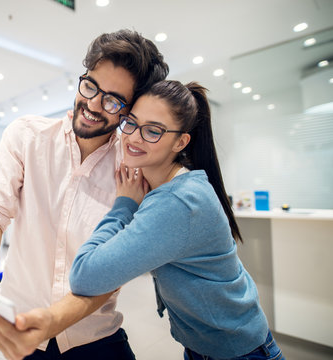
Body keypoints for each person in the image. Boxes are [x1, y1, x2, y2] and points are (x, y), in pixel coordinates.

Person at [0, 29, 169, 359]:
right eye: (90, 85)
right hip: (13, 327)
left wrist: (55, 320)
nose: (91, 104)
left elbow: (117, 267)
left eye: (112, 100)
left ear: (129, 112)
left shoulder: (135, 170)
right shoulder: (26, 136)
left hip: (94, 337)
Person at [69, 80, 285, 360]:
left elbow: (84, 276)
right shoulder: (179, 185)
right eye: (131, 123)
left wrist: (123, 205)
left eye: (153, 131)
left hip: (237, 353)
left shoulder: (178, 202)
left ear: (181, 141)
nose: (133, 138)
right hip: (218, 346)